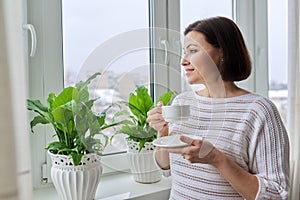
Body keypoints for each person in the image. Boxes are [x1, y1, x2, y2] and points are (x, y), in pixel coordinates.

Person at [147, 16, 290, 200]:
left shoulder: (258, 111)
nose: (183, 61)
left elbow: (277, 194)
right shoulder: (182, 103)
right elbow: (164, 165)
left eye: (192, 51)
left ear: (223, 52)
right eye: (184, 52)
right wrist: (163, 133)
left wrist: (216, 158)